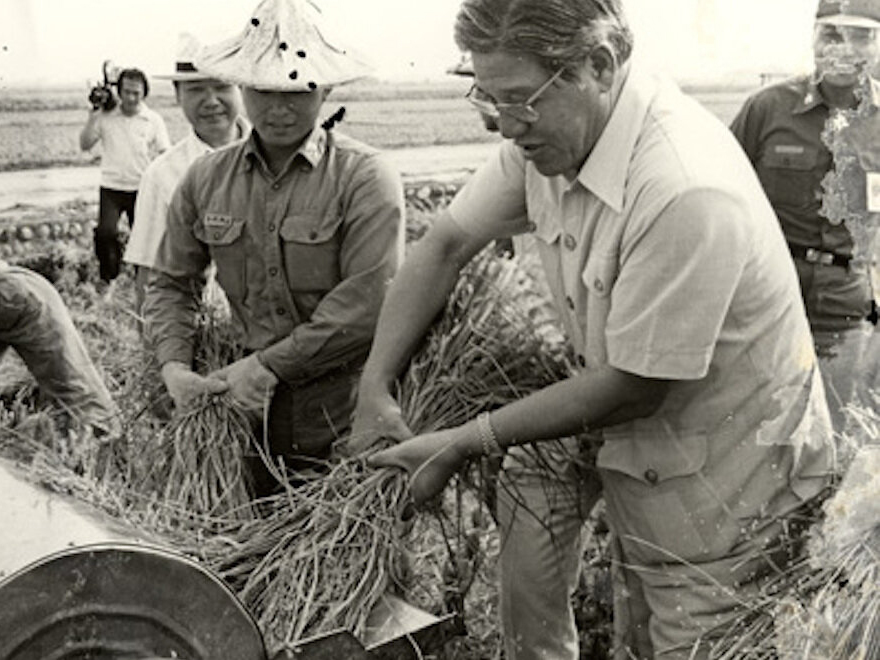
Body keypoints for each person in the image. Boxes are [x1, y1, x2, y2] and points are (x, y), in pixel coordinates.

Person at [353, 1, 836, 658]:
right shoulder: (546, 138)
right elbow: (444, 243)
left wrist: (465, 442)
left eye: (520, 100)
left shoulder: (683, 185)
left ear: (599, 66)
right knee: (534, 476)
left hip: (728, 489)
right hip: (632, 437)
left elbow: (635, 386)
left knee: (687, 638)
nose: (505, 125)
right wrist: (374, 386)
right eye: (487, 98)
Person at [142, 0, 404, 495]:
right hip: (244, 417)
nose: (280, 108)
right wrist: (174, 366)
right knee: (243, 551)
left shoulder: (364, 177)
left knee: (349, 553)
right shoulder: (205, 179)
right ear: (242, 86)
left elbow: (367, 306)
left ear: (326, 88)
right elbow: (170, 283)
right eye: (264, 90)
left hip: (345, 415)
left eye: (299, 90)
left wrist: (265, 366)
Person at [730, 0, 880, 430]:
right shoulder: (767, 109)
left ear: (877, 46)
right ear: (813, 38)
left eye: (861, 35)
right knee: (759, 429)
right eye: (831, 33)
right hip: (768, 295)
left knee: (830, 431)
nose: (844, 48)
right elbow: (721, 199)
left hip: (845, 307)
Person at [123, 34, 249, 314]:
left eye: (221, 86)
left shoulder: (278, 157)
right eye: (195, 90)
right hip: (202, 333)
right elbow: (149, 272)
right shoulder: (162, 175)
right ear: (178, 94)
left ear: (242, 88)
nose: (211, 101)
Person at [0, 260, 117, 433]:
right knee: (71, 376)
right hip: (25, 282)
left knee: (70, 389)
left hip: (12, 292)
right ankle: (101, 425)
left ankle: (95, 430)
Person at [79, 67, 171, 284]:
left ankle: (143, 283)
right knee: (105, 234)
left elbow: (165, 152)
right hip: (111, 187)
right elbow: (85, 145)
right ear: (118, 91)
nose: (131, 98)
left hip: (141, 188)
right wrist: (92, 115)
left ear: (144, 94)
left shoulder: (153, 120)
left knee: (143, 239)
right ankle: (109, 279)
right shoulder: (105, 116)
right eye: (127, 92)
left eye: (136, 93)